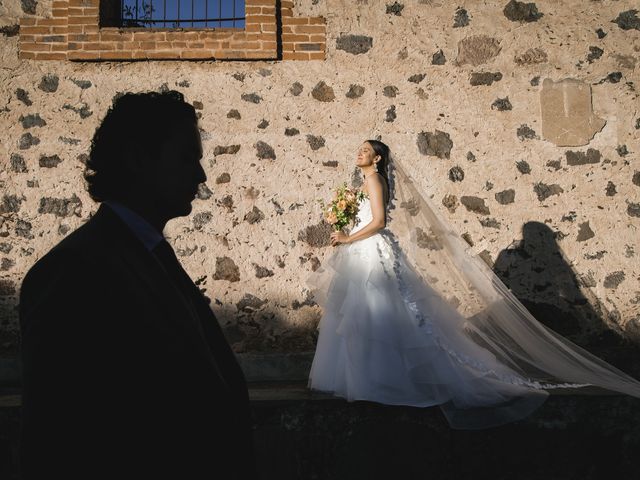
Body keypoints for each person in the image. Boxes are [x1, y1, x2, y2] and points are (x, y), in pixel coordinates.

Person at [308, 139, 640, 429]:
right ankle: (367, 382)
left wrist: (348, 236)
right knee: (360, 316)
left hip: (372, 253)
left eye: (366, 150)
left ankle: (384, 383)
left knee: (380, 316)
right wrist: (344, 223)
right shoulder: (363, 184)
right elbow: (368, 218)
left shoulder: (376, 181)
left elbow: (379, 222)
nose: (360, 153)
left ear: (378, 158)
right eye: (360, 149)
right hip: (362, 252)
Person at [19, 91, 255, 479]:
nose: (201, 175)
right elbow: (58, 438)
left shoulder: (147, 253)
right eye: (186, 158)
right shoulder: (73, 272)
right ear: (137, 159)